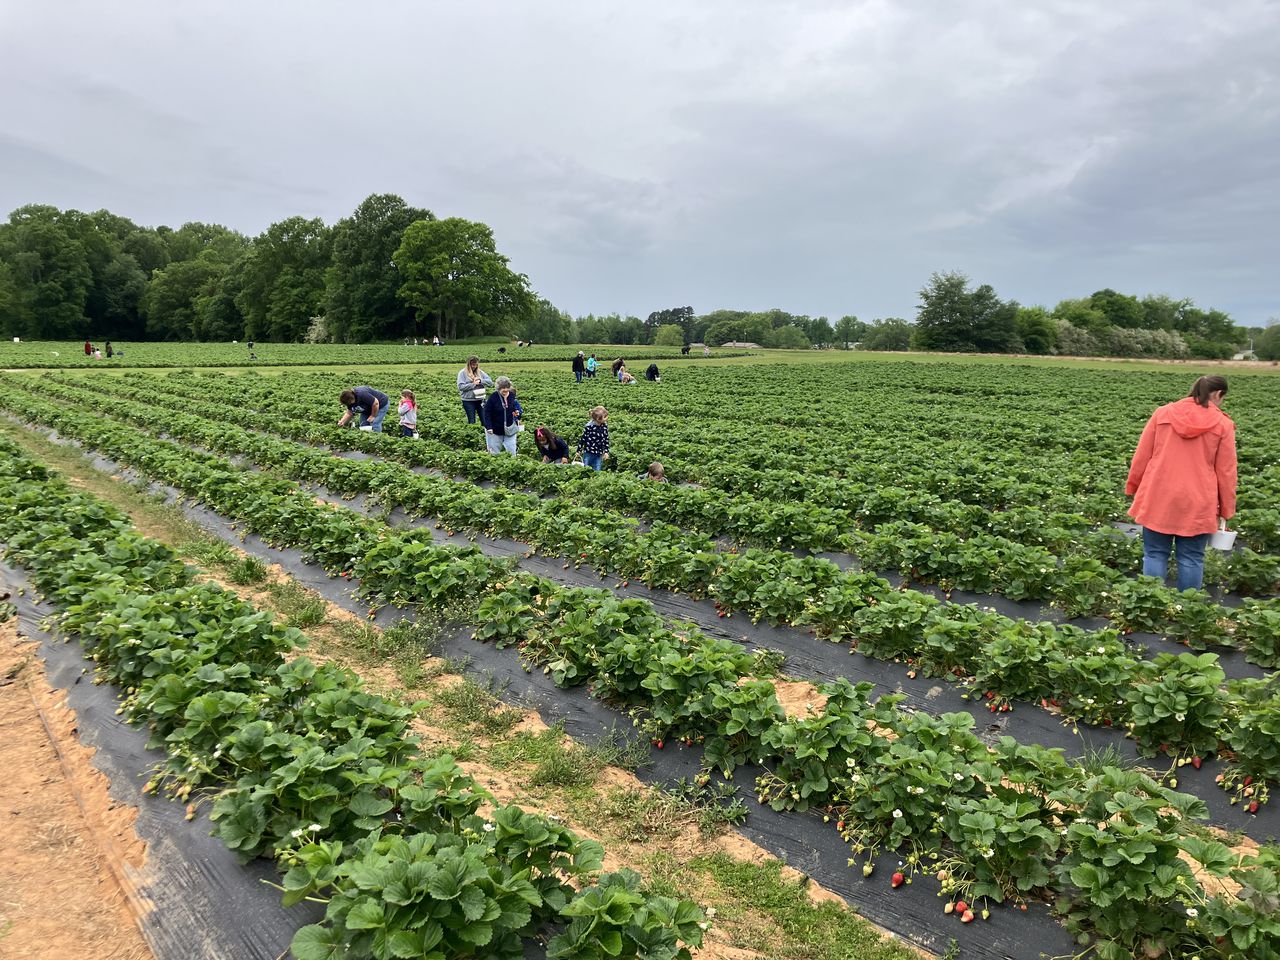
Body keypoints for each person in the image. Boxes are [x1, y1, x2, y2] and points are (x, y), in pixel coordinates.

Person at [1125, 375, 1237, 592]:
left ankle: (1152, 603)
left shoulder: (1162, 413)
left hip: (1158, 495)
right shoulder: (1223, 424)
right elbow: (1226, 471)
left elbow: (1142, 455)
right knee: (1192, 557)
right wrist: (1226, 509)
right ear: (1218, 394)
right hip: (1198, 500)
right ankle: (1188, 611)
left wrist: (1134, 486)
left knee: (1155, 553)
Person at [483, 377, 523, 455]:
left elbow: (514, 407)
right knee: (495, 452)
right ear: (498, 388)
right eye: (502, 388)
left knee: (512, 451)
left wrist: (517, 412)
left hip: (510, 428)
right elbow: (487, 413)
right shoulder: (493, 397)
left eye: (507, 388)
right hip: (495, 429)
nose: (505, 390)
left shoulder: (511, 395)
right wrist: (489, 427)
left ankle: (512, 464)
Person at [457, 356, 493, 426]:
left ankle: (486, 435)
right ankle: (472, 434)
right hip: (468, 400)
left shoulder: (480, 372)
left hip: (480, 400)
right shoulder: (462, 373)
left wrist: (480, 381)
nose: (474, 366)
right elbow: (461, 387)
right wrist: (473, 384)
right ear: (468, 364)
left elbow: (490, 382)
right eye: (472, 364)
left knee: (485, 420)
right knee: (472, 421)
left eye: (475, 364)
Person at [578, 406, 610, 471]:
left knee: (597, 469)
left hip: (599, 452)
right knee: (586, 469)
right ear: (598, 419)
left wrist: (606, 452)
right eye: (605, 417)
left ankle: (595, 480)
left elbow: (606, 439)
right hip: (588, 451)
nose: (607, 418)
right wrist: (579, 450)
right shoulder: (589, 427)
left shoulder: (604, 426)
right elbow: (583, 439)